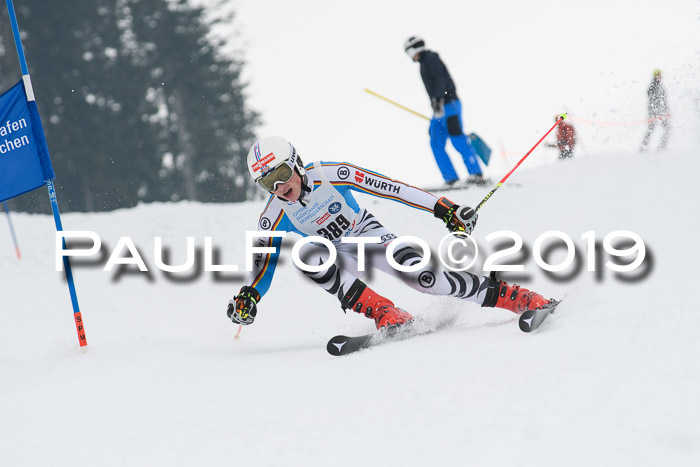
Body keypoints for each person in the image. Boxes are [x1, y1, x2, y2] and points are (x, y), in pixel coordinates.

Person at [227, 136, 553, 331]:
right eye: (269, 184)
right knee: (307, 256)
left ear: (295, 162)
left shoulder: (330, 173)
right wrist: (249, 296)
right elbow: (262, 266)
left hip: (366, 235)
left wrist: (444, 208)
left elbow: (392, 188)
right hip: (335, 255)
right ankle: (384, 311)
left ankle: (513, 296)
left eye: (283, 174)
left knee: (425, 280)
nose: (281, 187)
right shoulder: (273, 215)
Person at [403, 36, 484, 186]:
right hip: (438, 109)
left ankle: (476, 174)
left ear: (414, 48)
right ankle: (451, 178)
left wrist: (439, 99)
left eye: (408, 51)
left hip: (449, 105)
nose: (410, 56)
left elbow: (440, 78)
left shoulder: (431, 58)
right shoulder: (423, 63)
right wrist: (436, 104)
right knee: (435, 142)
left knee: (456, 138)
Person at [640, 69, 670, 151]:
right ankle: (644, 147)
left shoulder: (660, 86)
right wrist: (655, 110)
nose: (660, 77)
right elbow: (651, 96)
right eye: (658, 75)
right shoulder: (653, 86)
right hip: (654, 113)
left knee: (667, 128)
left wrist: (667, 110)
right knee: (651, 129)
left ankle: (661, 146)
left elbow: (663, 100)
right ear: (655, 76)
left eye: (660, 75)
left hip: (660, 112)